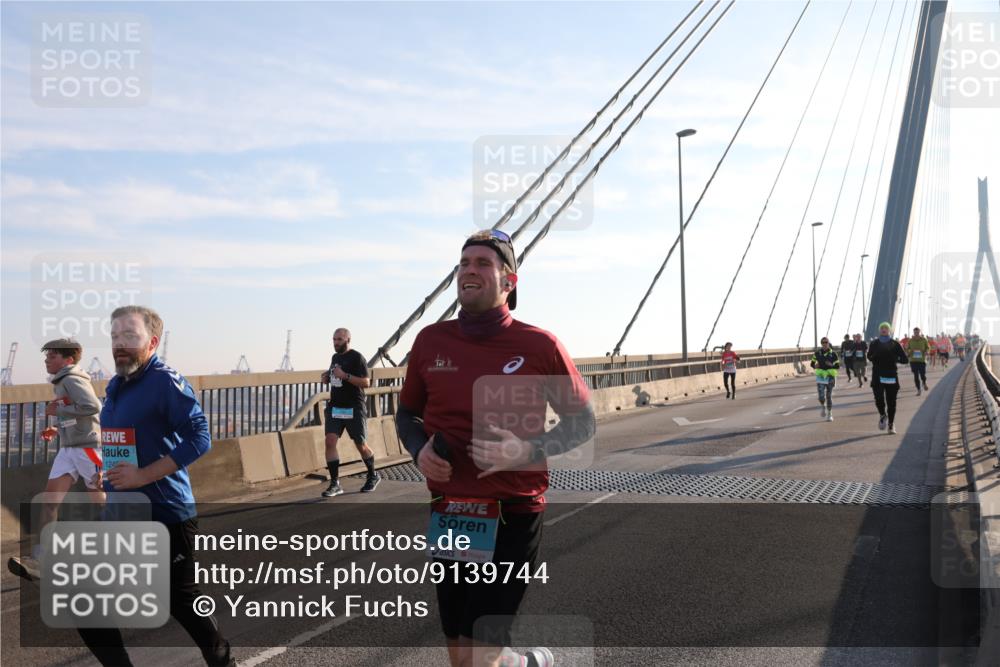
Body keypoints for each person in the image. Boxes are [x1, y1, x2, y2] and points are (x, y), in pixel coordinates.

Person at [395, 229, 595, 667]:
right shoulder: (430, 341)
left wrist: (522, 452)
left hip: (513, 511)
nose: (469, 270)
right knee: (460, 655)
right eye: (464, 263)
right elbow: (406, 414)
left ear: (510, 282)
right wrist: (418, 451)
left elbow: (583, 423)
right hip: (450, 511)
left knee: (479, 655)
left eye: (483, 264)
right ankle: (524, 663)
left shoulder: (540, 346)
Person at [76, 305, 233, 667]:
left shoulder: (165, 380)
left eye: (130, 336)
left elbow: (200, 437)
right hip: (123, 512)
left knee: (181, 600)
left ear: (152, 342)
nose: (119, 344)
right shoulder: (117, 384)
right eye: (115, 336)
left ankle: (224, 662)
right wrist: (111, 475)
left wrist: (142, 476)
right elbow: (126, 445)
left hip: (165, 514)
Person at [7, 339, 104, 582]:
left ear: (68, 360)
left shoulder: (72, 378)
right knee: (50, 501)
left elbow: (92, 406)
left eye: (52, 356)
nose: (46, 360)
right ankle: (41, 561)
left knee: (101, 501)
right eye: (47, 356)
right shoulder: (63, 380)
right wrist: (58, 429)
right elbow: (75, 414)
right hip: (70, 448)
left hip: (88, 448)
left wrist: (58, 412)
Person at [319, 328, 376, 497]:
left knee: (361, 444)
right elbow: (335, 375)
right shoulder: (335, 357)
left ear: (347, 340)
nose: (335, 342)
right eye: (334, 339)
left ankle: (373, 475)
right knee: (330, 441)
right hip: (335, 406)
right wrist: (327, 377)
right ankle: (335, 483)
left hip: (353, 407)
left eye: (339, 339)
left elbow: (366, 382)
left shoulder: (357, 357)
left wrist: (345, 376)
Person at [867, 322, 908, 435]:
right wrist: (874, 355)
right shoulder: (874, 343)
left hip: (890, 375)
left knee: (891, 402)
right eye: (882, 328)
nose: (884, 330)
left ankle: (891, 424)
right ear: (879, 330)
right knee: (879, 398)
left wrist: (896, 359)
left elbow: (905, 360)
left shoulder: (895, 344)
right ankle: (882, 415)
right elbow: (869, 357)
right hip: (878, 375)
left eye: (886, 328)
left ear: (889, 330)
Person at [811, 337, 840, 421]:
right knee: (821, 396)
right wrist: (814, 366)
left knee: (829, 395)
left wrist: (831, 365)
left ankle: (830, 413)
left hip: (830, 376)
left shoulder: (833, 354)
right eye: (823, 342)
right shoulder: (817, 353)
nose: (824, 344)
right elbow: (812, 363)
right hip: (821, 376)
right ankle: (823, 406)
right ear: (821, 343)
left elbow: (837, 366)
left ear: (828, 343)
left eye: (826, 342)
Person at [906, 327, 929, 395]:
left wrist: (926, 351)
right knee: (916, 375)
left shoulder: (924, 340)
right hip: (913, 361)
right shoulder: (910, 340)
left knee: (922, 374)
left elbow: (928, 347)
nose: (916, 333)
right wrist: (910, 351)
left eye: (917, 332)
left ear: (919, 332)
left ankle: (924, 383)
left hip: (922, 360)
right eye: (915, 332)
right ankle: (919, 390)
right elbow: (907, 349)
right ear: (913, 332)